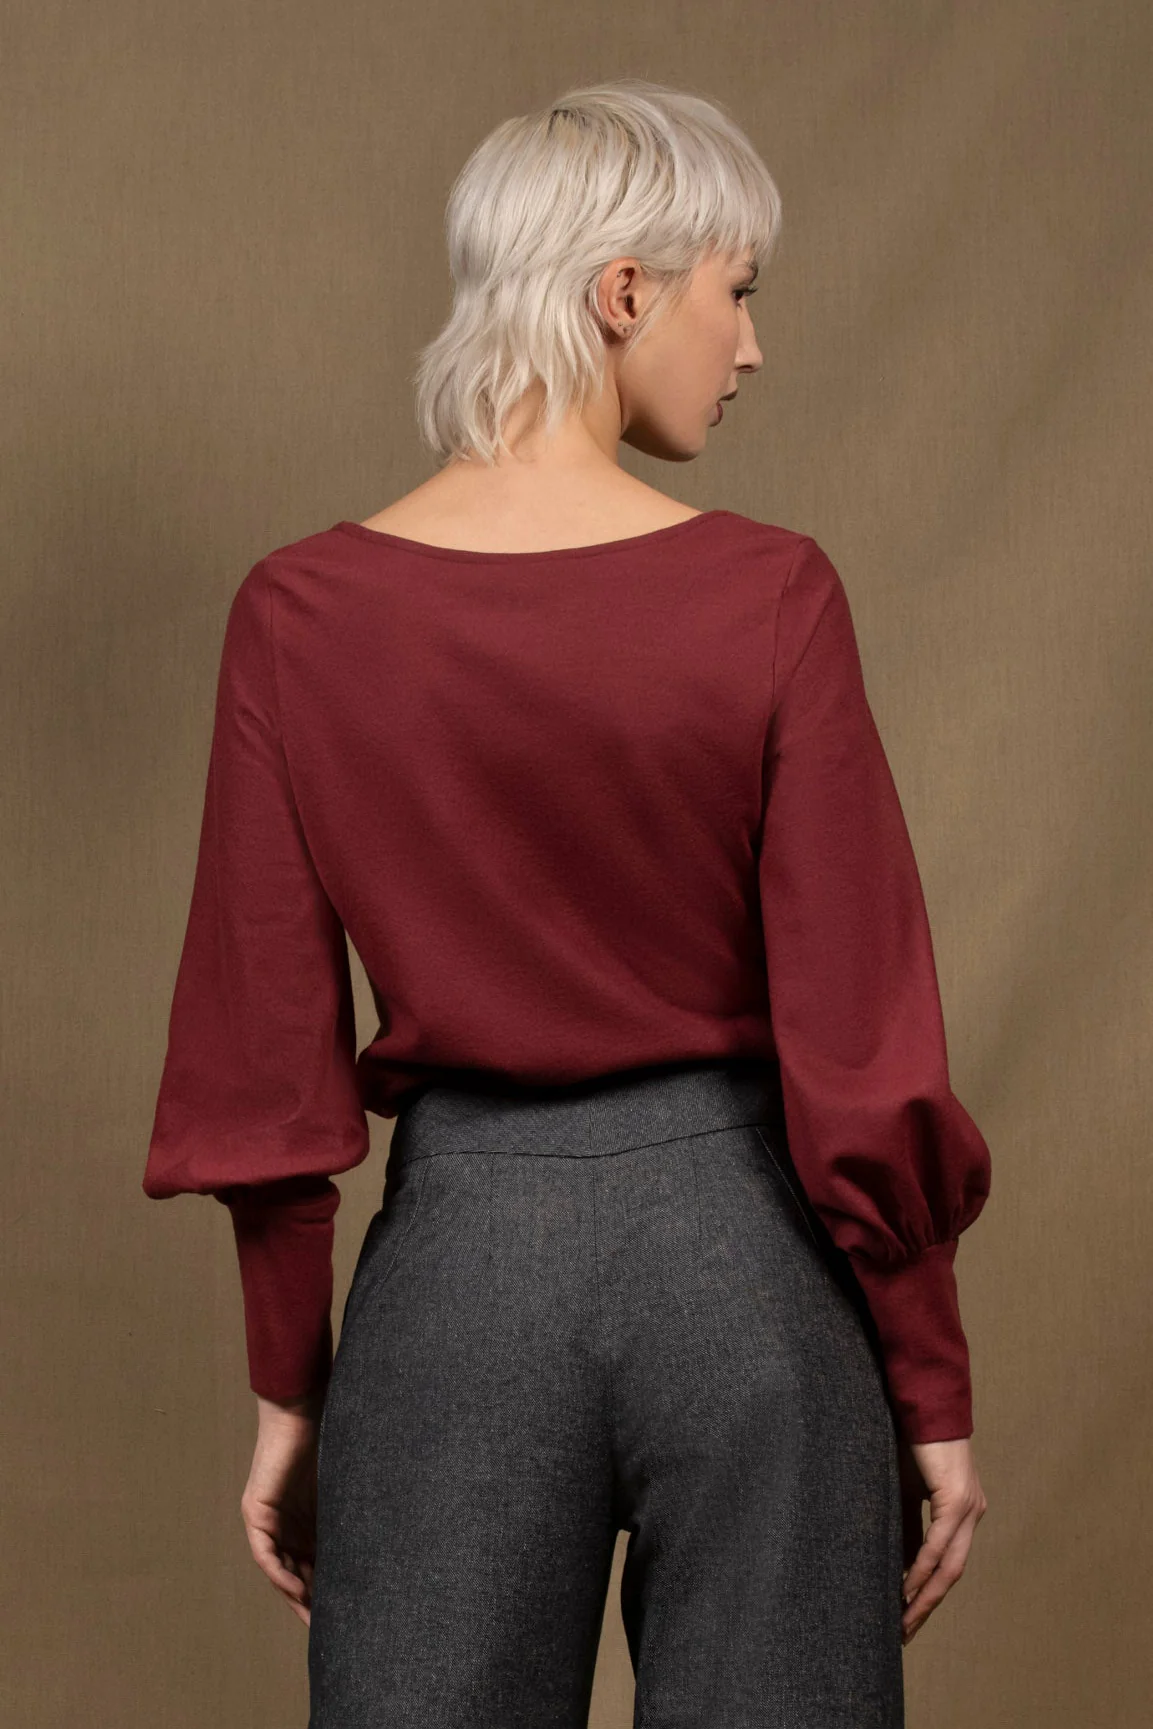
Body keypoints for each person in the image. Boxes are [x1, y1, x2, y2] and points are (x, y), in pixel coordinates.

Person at [143, 77, 991, 1727]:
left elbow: (262, 1048)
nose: (751, 346)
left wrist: (290, 1386)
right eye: (736, 291)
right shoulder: (771, 597)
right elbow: (862, 1033)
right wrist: (928, 1376)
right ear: (622, 293)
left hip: (459, 1287)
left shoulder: (300, 615)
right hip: (751, 1272)